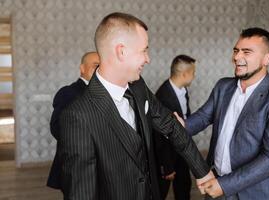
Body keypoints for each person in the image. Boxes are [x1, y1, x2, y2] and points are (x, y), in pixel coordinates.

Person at [57, 12, 214, 200]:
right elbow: (82, 194)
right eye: (144, 50)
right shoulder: (76, 116)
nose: (148, 59)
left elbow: (171, 126)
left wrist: (202, 172)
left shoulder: (139, 87)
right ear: (121, 51)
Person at [181, 27, 269, 199]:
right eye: (236, 51)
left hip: (258, 194)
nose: (236, 57)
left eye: (247, 52)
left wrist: (225, 185)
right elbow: (203, 117)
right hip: (217, 185)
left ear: (267, 58)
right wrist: (180, 126)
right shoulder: (223, 86)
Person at [47, 51, 100, 189]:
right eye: (95, 65)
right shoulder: (68, 92)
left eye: (102, 66)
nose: (99, 70)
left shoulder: (106, 93)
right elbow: (57, 128)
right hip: (77, 166)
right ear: (82, 68)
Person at [154, 54, 196, 200]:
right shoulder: (163, 96)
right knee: (161, 192)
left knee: (184, 186)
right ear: (185, 74)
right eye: (193, 73)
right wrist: (167, 166)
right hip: (168, 154)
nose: (194, 76)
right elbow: (159, 136)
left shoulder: (183, 90)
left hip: (181, 149)